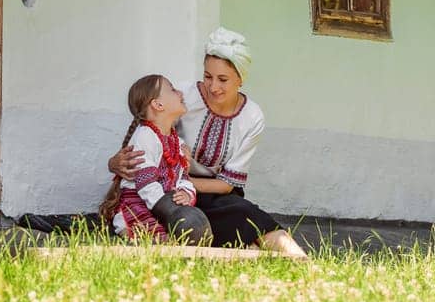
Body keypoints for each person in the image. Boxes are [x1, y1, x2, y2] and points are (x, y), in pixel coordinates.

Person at [110, 28, 306, 258]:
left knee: (243, 213)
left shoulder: (252, 117)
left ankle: (300, 260)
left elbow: (226, 185)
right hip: (167, 193)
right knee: (175, 217)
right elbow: (145, 131)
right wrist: (115, 162)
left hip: (213, 194)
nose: (213, 87)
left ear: (240, 79)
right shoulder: (181, 97)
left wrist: (180, 186)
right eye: (207, 76)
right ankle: (240, 247)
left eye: (223, 79)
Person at [98, 74, 212, 245]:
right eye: (173, 90)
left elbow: (183, 178)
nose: (180, 93)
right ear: (158, 105)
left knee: (189, 232)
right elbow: (146, 183)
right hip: (139, 206)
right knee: (164, 244)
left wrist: (186, 194)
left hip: (162, 207)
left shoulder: (177, 142)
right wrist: (172, 211)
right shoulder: (145, 136)